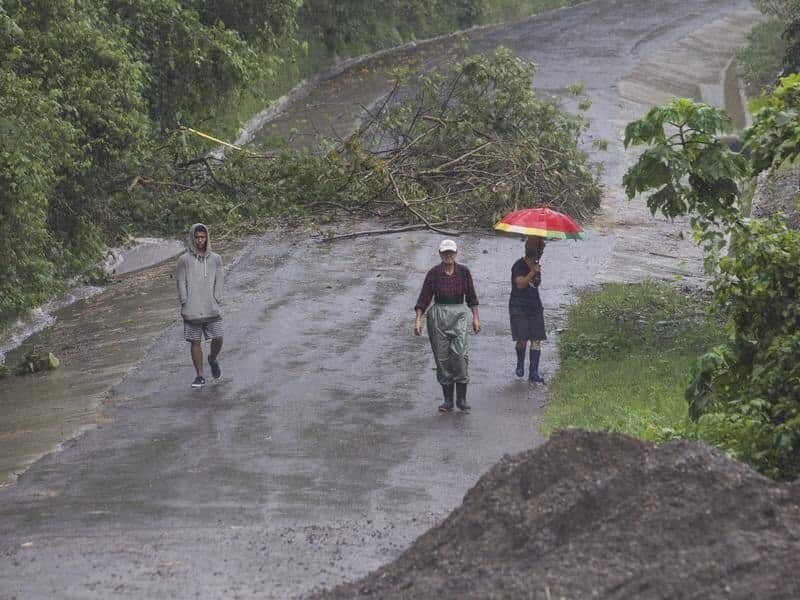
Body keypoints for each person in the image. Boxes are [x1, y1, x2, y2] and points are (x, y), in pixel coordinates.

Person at [414, 239, 481, 412]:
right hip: (438, 315)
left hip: (458, 313)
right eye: (445, 253)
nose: (448, 255)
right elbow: (424, 298)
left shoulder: (464, 272)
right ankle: (448, 401)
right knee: (442, 357)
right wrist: (418, 320)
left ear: (456, 253)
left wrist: (475, 317)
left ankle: (462, 399)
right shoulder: (433, 273)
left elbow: (472, 296)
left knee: (460, 354)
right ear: (440, 254)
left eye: (451, 252)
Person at [176, 223, 224, 388]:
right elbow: (181, 281)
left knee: (218, 337)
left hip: (210, 306)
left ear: (207, 237)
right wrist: (184, 300)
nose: (199, 240)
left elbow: (220, 279)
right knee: (195, 341)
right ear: (192, 238)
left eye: (202, 237)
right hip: (192, 308)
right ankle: (200, 376)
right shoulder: (184, 260)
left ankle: (212, 358)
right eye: (196, 237)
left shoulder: (215, 259)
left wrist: (217, 298)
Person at [509, 236, 546, 383]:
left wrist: (536, 272)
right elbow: (520, 284)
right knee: (522, 340)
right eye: (539, 251)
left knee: (536, 339)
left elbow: (536, 284)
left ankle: (534, 372)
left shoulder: (537, 265)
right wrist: (532, 272)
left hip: (534, 305)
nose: (540, 254)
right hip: (518, 305)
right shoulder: (518, 265)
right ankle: (520, 363)